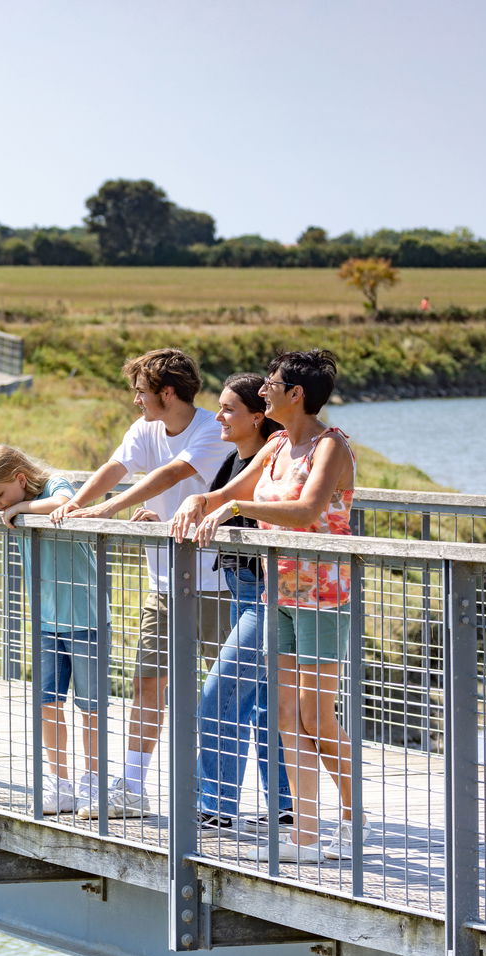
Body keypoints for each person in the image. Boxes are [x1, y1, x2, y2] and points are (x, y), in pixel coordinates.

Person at [170, 349, 363, 863]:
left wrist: (234, 507)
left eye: (272, 383)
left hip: (323, 595)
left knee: (316, 717)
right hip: (277, 590)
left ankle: (352, 820)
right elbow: (230, 491)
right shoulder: (276, 443)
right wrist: (198, 501)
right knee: (282, 716)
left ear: (296, 394)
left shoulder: (331, 446)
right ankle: (304, 835)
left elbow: (307, 510)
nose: (264, 390)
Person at [51, 348, 233, 818]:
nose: (136, 401)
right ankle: (131, 787)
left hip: (219, 585)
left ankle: (267, 802)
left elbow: (174, 473)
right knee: (147, 685)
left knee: (232, 695)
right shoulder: (145, 430)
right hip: (165, 585)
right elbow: (116, 468)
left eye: (141, 392)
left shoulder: (214, 429)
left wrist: (108, 509)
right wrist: (76, 505)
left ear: (166, 393)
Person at [0, 445, 102, 815]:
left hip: (86, 619)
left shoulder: (55, 484)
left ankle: (94, 783)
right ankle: (60, 783)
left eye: (1, 494)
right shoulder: (2, 498)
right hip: (45, 620)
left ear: (21, 479)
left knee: (91, 708)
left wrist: (19, 508)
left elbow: (66, 502)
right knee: (48, 703)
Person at [191, 373, 292, 832]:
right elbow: (214, 501)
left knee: (220, 694)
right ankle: (286, 807)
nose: (218, 417)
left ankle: (215, 807)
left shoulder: (276, 459)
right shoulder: (237, 459)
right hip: (240, 587)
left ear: (258, 416)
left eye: (228, 409)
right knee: (264, 702)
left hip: (266, 594)